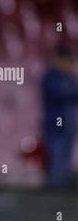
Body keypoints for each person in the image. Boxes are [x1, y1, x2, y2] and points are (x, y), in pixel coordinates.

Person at [41, 44, 78, 188]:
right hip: (54, 124)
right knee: (56, 155)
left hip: (69, 124)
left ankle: (62, 186)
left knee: (66, 156)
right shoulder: (50, 76)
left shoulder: (70, 77)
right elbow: (59, 94)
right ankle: (55, 188)